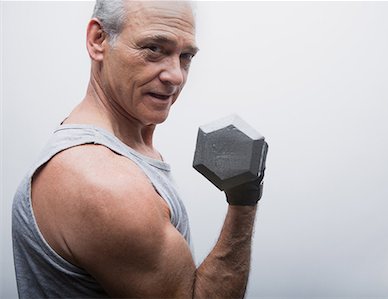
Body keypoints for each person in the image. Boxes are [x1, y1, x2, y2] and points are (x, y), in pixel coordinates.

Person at [11, 0, 266, 298]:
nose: (176, 75)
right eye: (154, 49)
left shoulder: (120, 150)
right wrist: (243, 201)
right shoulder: (102, 183)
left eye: (185, 56)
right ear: (98, 40)